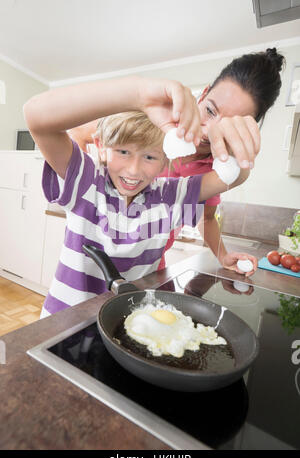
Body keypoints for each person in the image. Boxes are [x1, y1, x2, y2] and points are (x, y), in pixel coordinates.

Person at [23, 74, 261, 317]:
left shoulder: (170, 196)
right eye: (123, 151)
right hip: (63, 322)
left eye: (149, 157)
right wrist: (139, 93)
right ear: (101, 146)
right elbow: (35, 115)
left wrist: (238, 145)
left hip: (124, 323)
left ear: (165, 160)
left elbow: (235, 177)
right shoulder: (86, 180)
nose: (134, 170)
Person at [158, 48, 285, 277]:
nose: (209, 132)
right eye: (210, 110)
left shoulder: (214, 169)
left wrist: (224, 256)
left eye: (228, 124)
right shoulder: (155, 129)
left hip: (152, 263)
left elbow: (206, 218)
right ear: (204, 93)